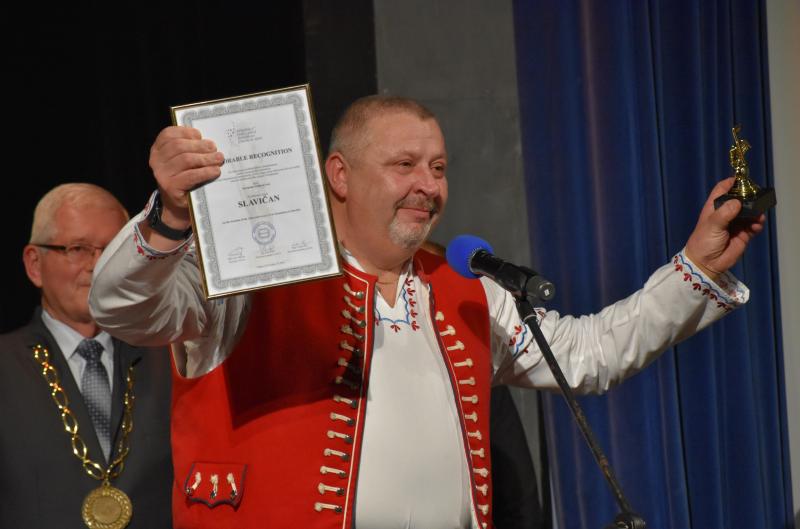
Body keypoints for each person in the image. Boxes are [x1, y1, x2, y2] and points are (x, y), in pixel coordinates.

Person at [89, 96, 763, 529]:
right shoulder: (252, 280)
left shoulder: (463, 285)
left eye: (438, 168)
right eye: (405, 164)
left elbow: (587, 356)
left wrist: (697, 267)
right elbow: (123, 307)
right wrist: (170, 216)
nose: (428, 186)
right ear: (340, 175)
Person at [0, 183, 173, 529]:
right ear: (34, 264)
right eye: (78, 249)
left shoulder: (171, 360)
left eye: (113, 249)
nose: (97, 266)